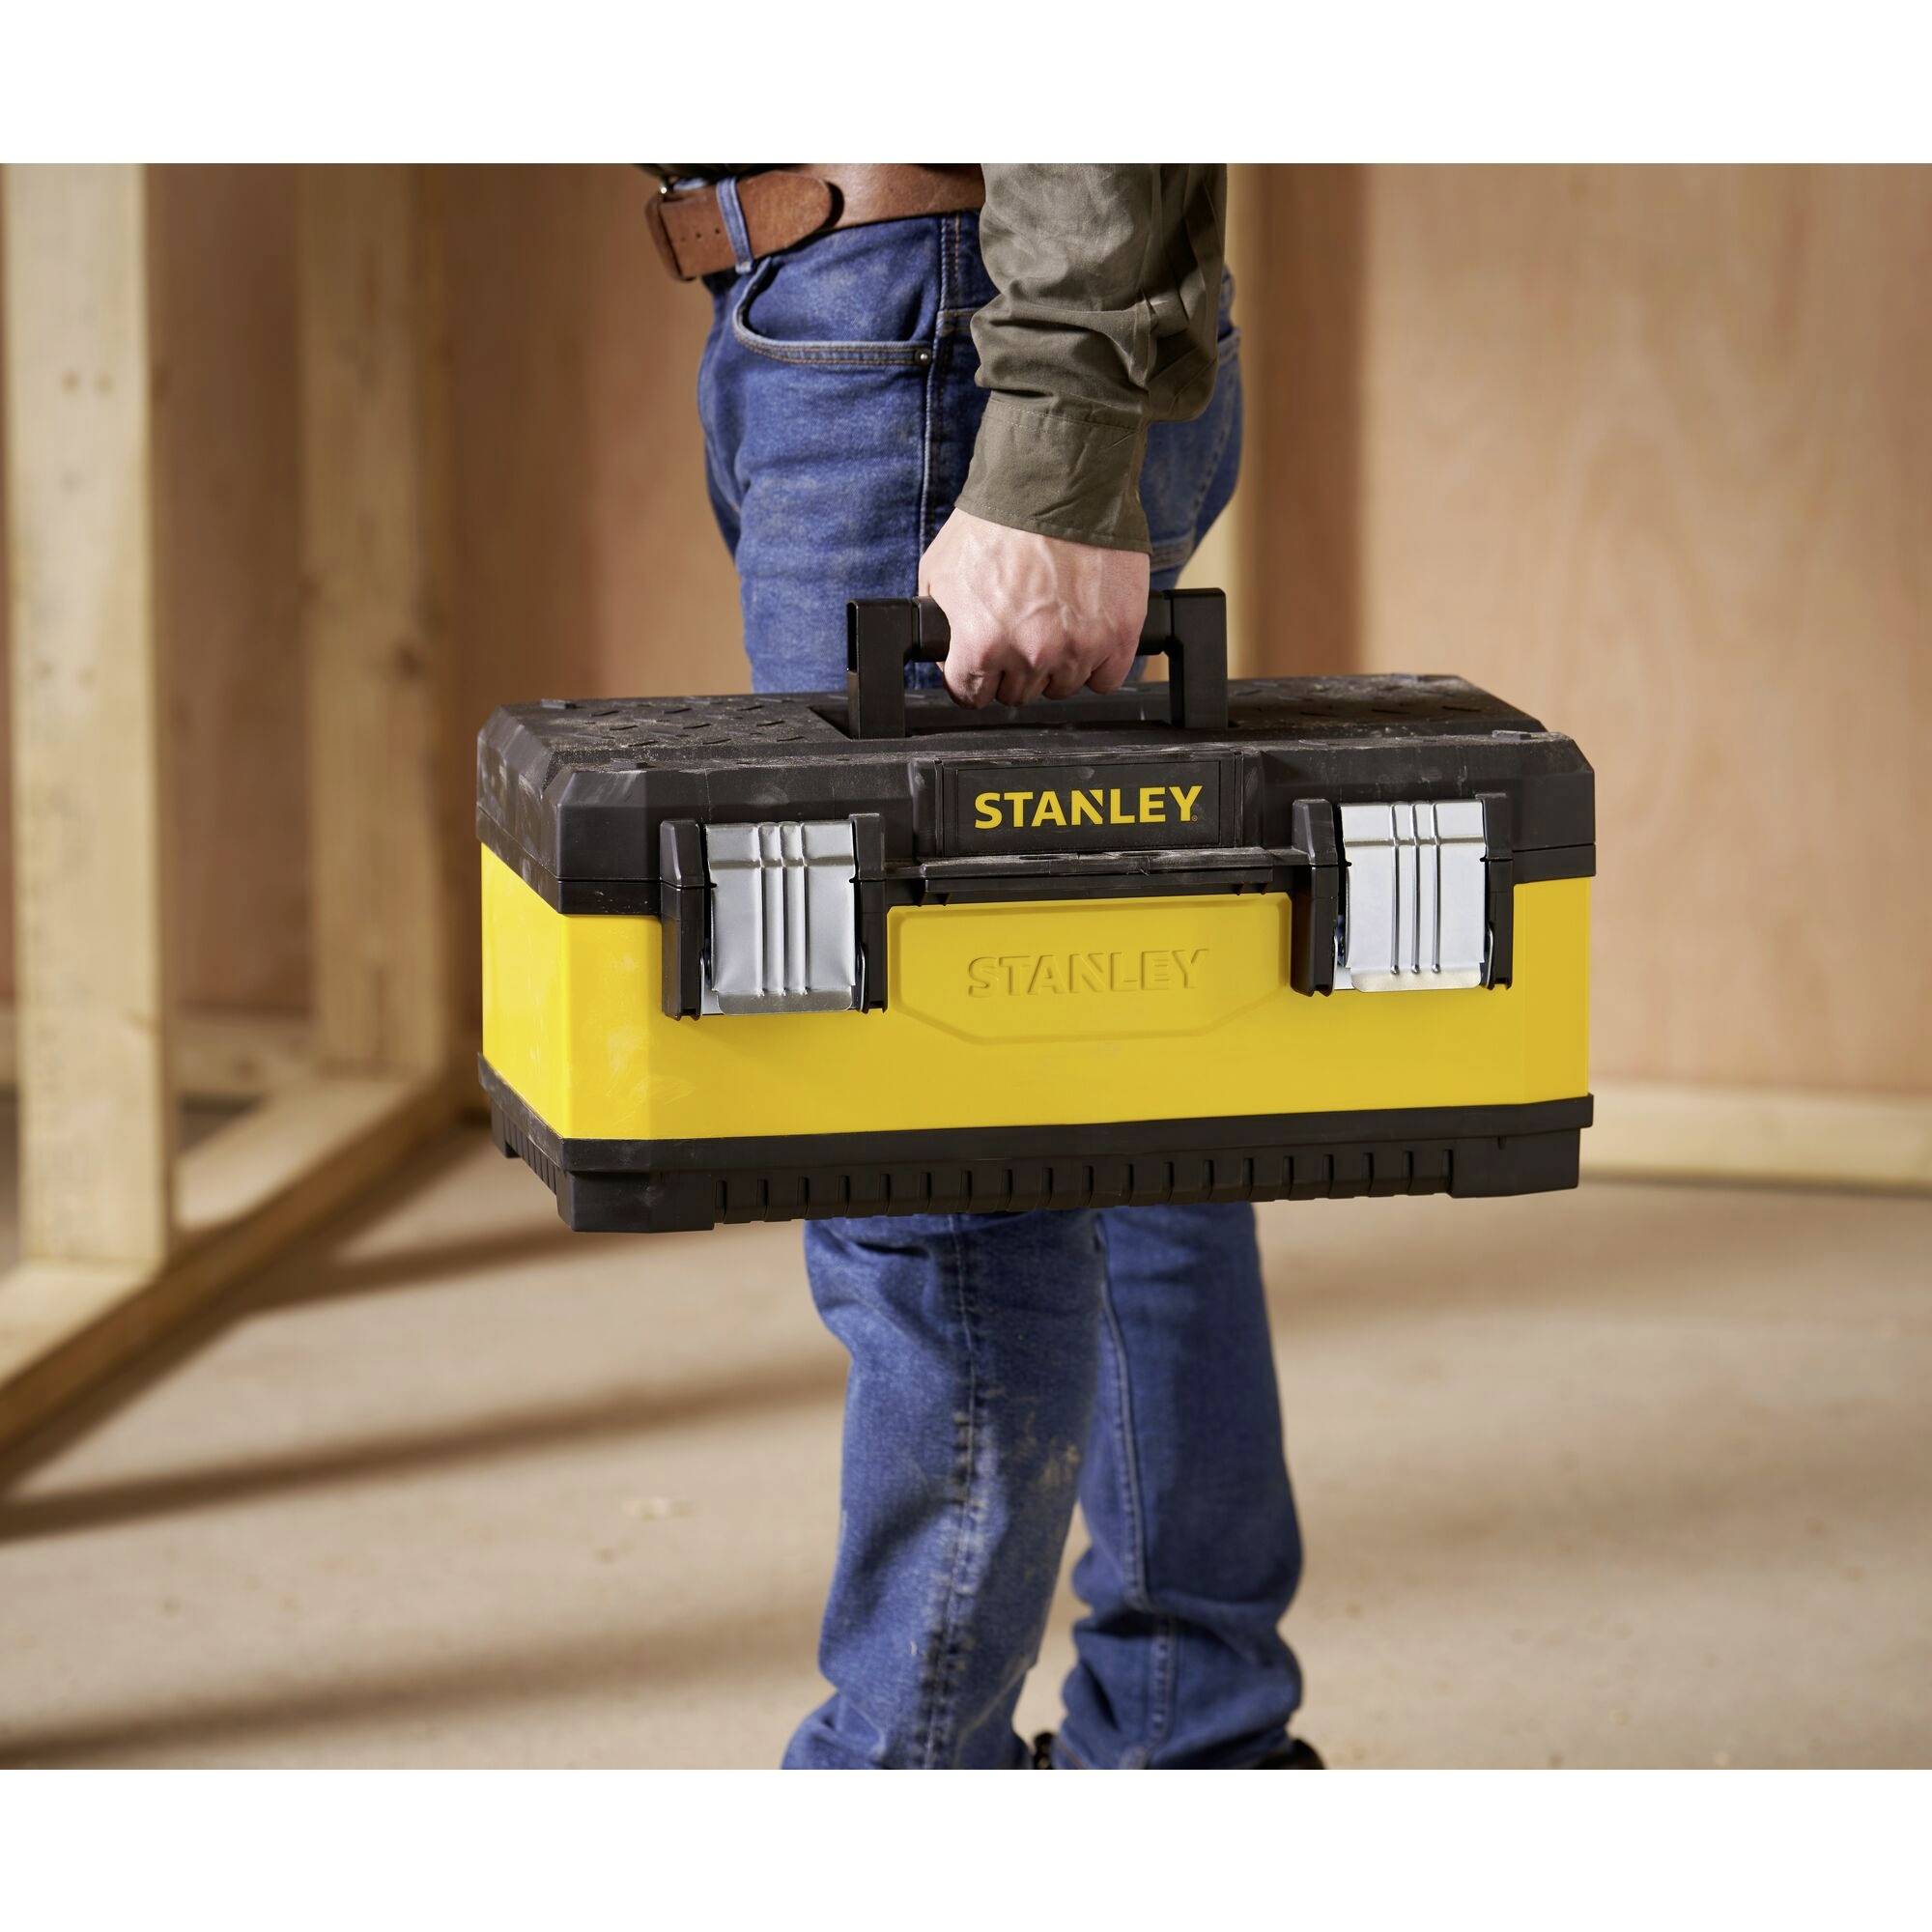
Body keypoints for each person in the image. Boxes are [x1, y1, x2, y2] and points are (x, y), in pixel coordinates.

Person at [655, 163, 1317, 1769]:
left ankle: (908, 1778)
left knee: (932, 1149)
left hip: (944, 339)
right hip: (914, 312)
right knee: (1123, 1089)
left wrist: (1052, 446)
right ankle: (1192, 1738)